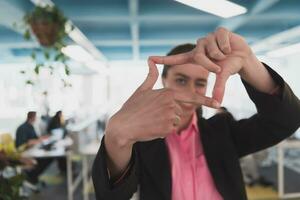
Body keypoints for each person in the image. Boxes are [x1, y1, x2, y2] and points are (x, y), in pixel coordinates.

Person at [92, 27, 300, 200]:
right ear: (164, 80)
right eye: (181, 80)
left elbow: (286, 120)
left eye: (200, 83)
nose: (190, 91)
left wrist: (249, 63)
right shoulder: (143, 141)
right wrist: (117, 138)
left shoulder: (223, 130)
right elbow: (111, 196)